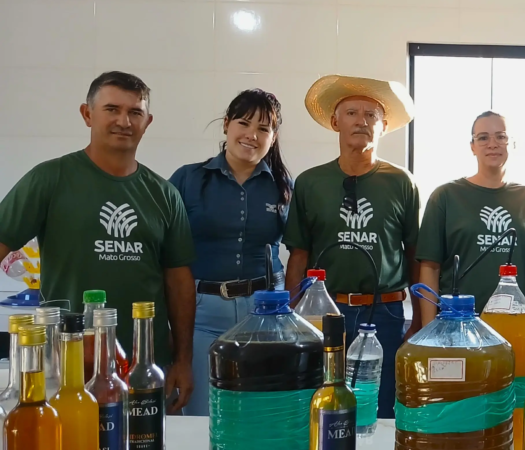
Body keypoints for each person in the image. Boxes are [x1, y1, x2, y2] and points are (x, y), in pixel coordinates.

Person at [0, 71, 196, 412]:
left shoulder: (164, 195)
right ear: (87, 114)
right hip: (67, 368)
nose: (124, 121)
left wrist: (182, 360)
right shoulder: (50, 179)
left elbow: (179, 281)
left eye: (135, 112)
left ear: (147, 121)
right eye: (112, 109)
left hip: (143, 370)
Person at [284, 75, 420, 418]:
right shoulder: (311, 182)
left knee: (380, 406)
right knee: (321, 404)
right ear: (335, 122)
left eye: (371, 114)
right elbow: (298, 254)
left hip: (385, 314)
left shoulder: (401, 182)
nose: (362, 120)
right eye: (352, 113)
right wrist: (291, 318)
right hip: (323, 313)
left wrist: (419, 320)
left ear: (384, 126)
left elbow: (416, 254)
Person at [169, 89, 292, 416]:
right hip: (200, 314)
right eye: (244, 122)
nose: (252, 135)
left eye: (264, 129)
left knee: (258, 416)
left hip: (264, 316)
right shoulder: (187, 179)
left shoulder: (282, 186)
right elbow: (163, 254)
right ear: (226, 125)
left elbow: (296, 251)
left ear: (273, 137)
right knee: (201, 415)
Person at [416, 110, 525, 322]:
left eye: (501, 136)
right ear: (472, 147)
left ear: (511, 144)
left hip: (518, 322)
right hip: (459, 321)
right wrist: (429, 331)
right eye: (483, 137)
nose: (493, 144)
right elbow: (430, 268)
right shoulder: (446, 196)